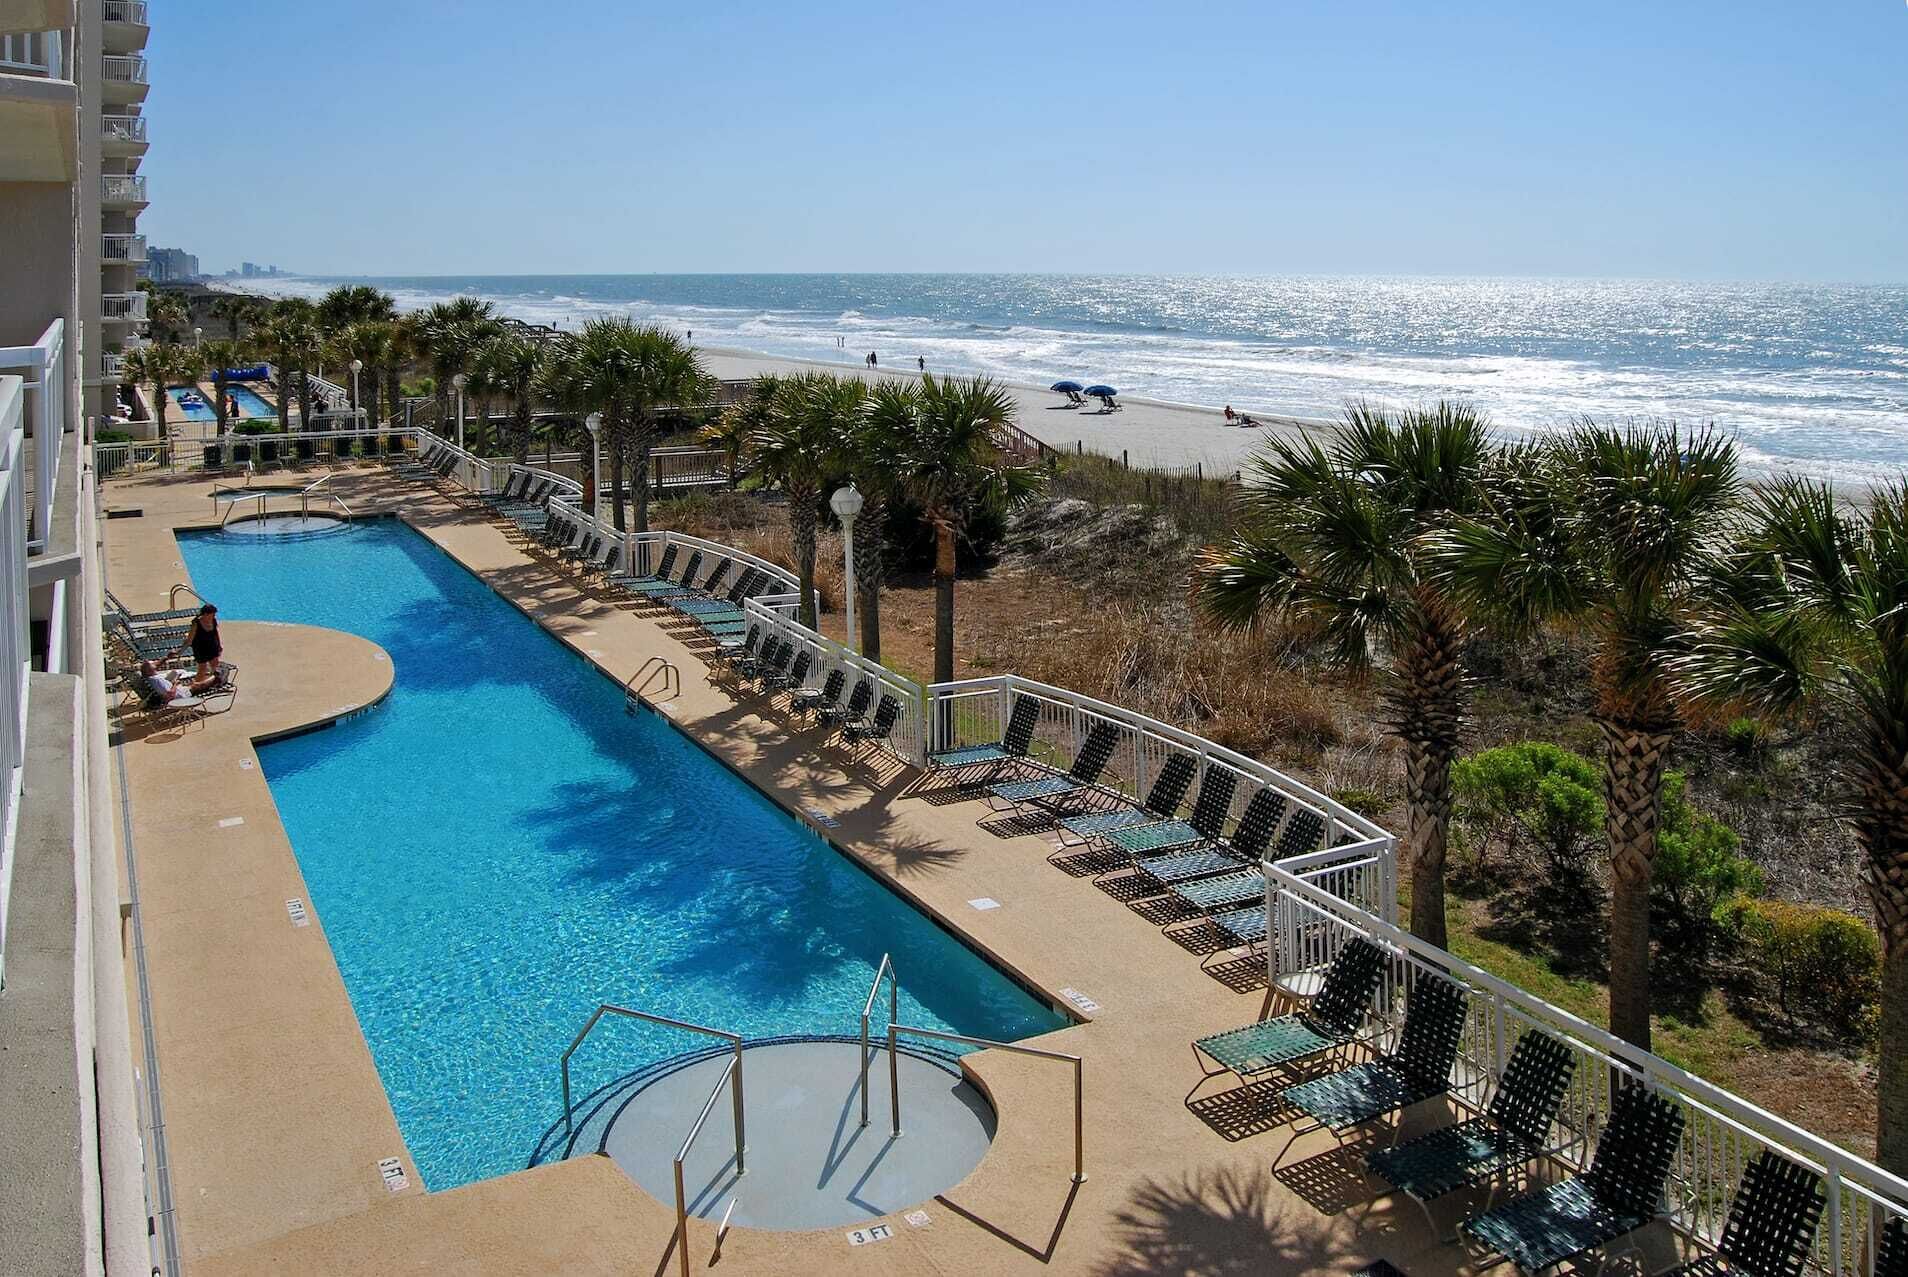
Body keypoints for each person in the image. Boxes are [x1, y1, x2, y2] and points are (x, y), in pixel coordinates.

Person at [174, 604, 223, 689]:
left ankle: (214, 683)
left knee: (215, 667)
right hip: (201, 649)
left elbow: (215, 633)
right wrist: (180, 651)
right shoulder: (196, 623)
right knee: (202, 670)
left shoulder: (213, 621)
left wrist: (219, 645)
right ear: (206, 614)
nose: (214, 616)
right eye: (212, 614)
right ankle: (195, 687)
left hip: (212, 647)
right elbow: (189, 640)